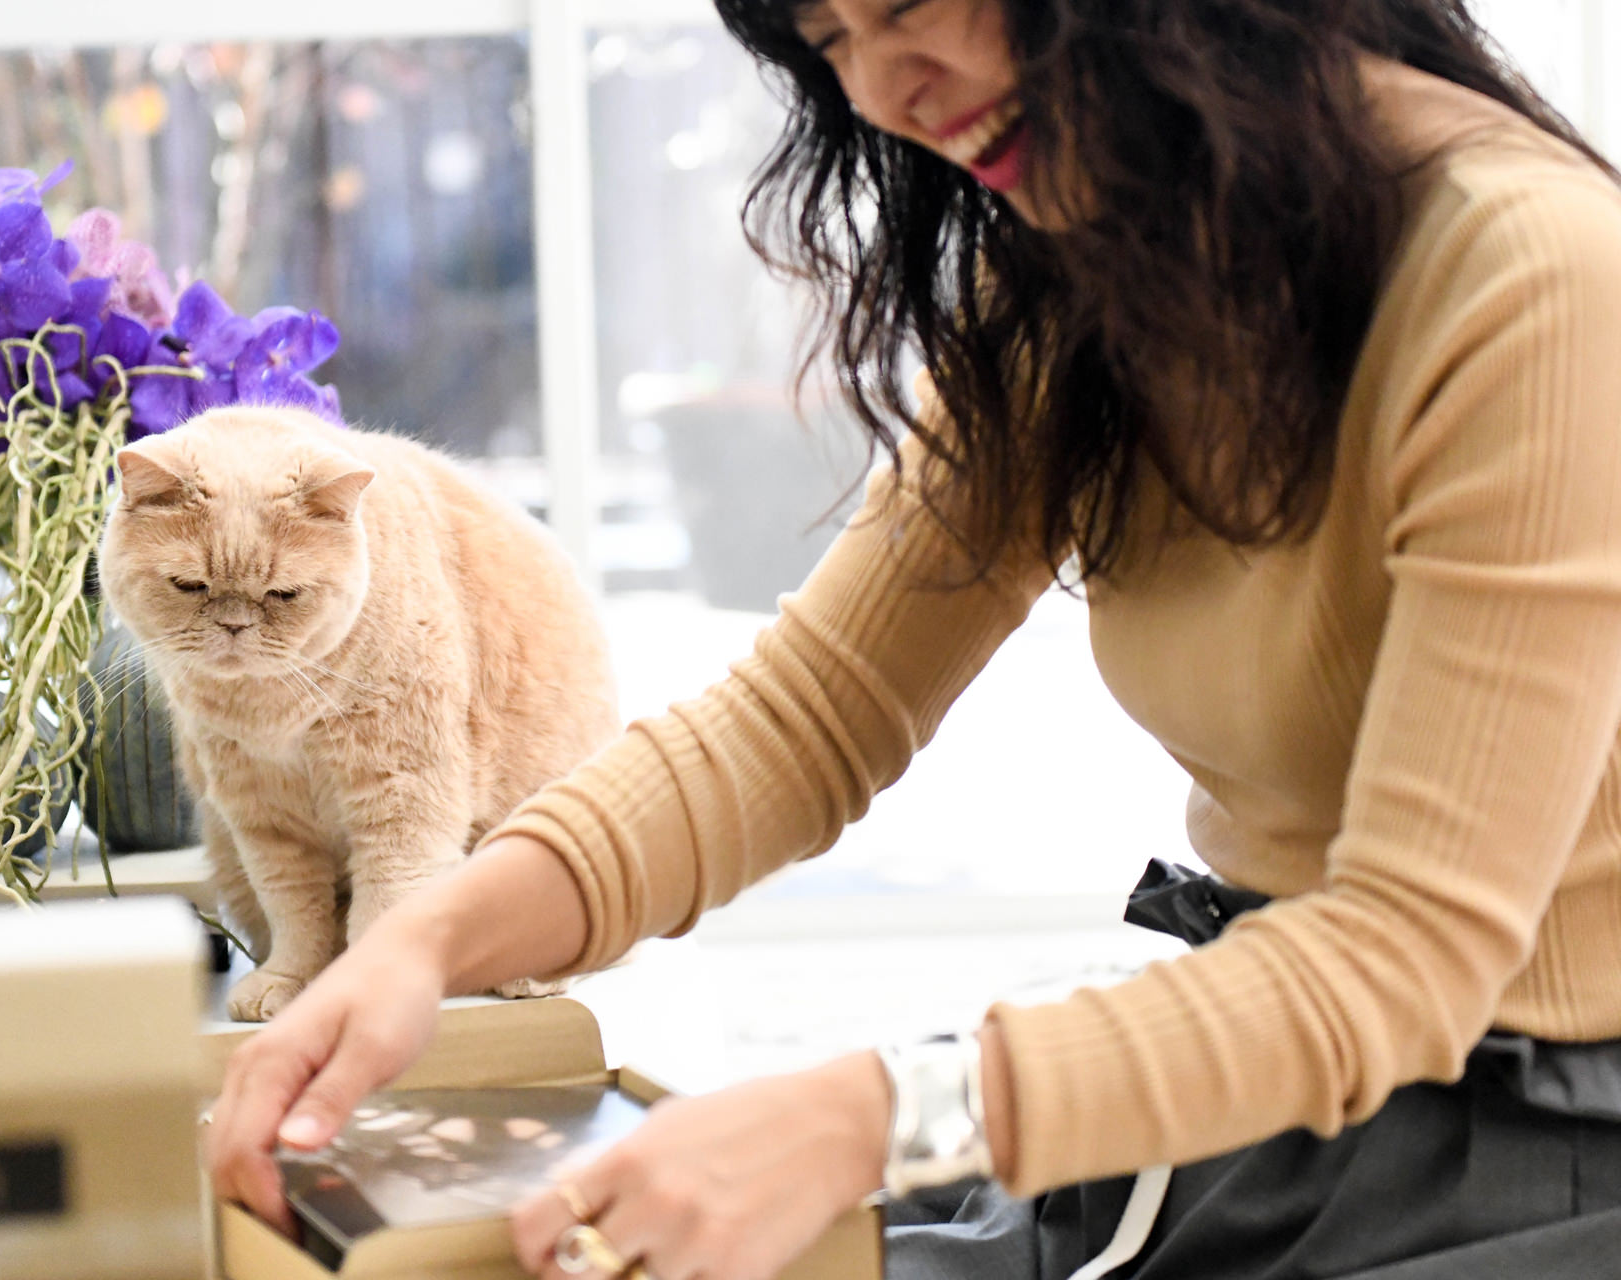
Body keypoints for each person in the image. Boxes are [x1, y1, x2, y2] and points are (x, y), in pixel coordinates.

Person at [207, 1, 1621, 1275]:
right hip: (1257, 1083)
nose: (886, 91)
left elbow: (1403, 957)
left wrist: (868, 1117)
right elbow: (811, 716)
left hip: (1525, 1156)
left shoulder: (1533, 274)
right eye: (830, 41)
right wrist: (422, 942)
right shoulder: (1102, 255)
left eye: (908, 6)